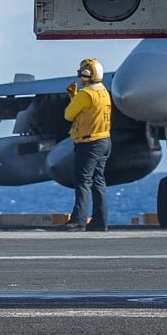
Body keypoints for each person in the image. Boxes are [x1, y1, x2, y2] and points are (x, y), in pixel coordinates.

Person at [59, 58, 113, 232]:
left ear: (87, 75)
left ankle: (79, 221)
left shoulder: (86, 94)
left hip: (89, 143)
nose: (80, 78)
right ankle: (100, 221)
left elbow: (68, 114)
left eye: (82, 74)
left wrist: (74, 98)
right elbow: (90, 111)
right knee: (98, 181)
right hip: (104, 141)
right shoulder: (103, 91)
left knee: (83, 181)